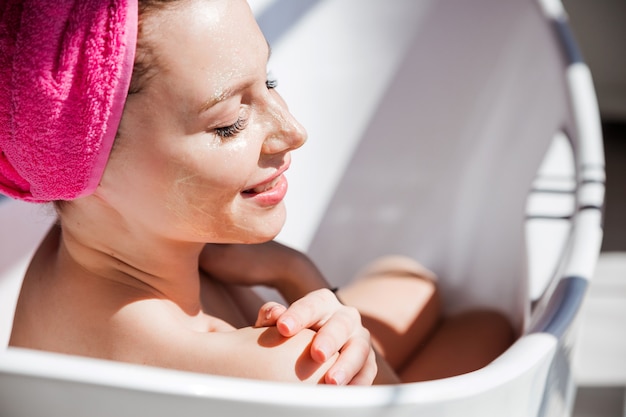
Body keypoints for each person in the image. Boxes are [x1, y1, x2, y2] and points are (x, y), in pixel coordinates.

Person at [2, 0, 514, 385]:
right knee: (487, 335)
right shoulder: (268, 368)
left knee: (416, 287)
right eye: (229, 123)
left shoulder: (72, 256)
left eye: (268, 80)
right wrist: (299, 277)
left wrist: (287, 271)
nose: (293, 131)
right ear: (89, 166)